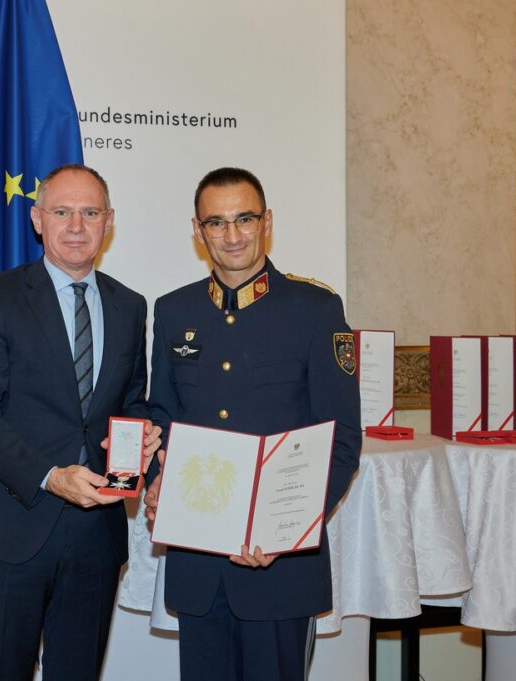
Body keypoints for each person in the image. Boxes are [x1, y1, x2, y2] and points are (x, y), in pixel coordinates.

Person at [144, 167, 361, 681]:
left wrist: (286, 531)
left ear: (267, 222)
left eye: (244, 218)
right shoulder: (174, 311)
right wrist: (157, 473)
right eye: (216, 222)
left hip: (279, 567)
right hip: (198, 562)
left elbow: (342, 438)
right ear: (198, 232)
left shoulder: (315, 310)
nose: (232, 234)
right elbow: (164, 415)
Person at [0, 163, 161, 681]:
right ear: (36, 219)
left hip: (96, 538)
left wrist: (141, 450)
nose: (76, 225)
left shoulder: (131, 306)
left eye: (90, 212)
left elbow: (130, 405)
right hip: (8, 530)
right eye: (62, 211)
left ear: (109, 221)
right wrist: (52, 476)